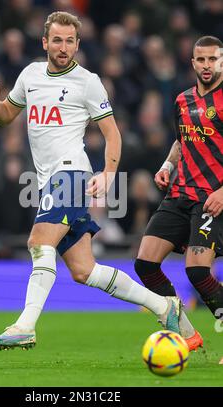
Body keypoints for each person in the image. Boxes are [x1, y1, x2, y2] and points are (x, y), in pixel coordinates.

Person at [0, 11, 187, 351]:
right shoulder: (30, 74)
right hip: (48, 179)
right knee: (84, 270)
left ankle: (24, 325)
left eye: (70, 41)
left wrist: (108, 173)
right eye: (57, 40)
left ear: (78, 44)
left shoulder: (88, 81)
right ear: (45, 42)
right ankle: (163, 305)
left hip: (71, 173)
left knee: (38, 241)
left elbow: (113, 135)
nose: (63, 47)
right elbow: (5, 116)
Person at [134, 35, 223, 354]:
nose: (207, 65)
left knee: (197, 270)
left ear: (222, 61)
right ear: (193, 63)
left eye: (213, 59)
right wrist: (167, 166)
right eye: (201, 60)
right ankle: (186, 332)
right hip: (180, 192)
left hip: (212, 198)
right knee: (145, 263)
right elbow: (181, 141)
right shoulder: (182, 100)